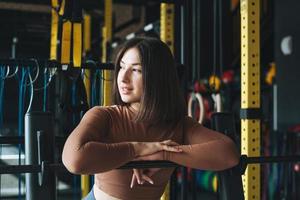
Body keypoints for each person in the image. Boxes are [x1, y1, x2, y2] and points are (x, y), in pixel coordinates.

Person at [62, 37, 240, 200]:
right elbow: (74, 161)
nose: (123, 78)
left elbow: (229, 154)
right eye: (122, 67)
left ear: (157, 77)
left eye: (136, 70)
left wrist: (163, 153)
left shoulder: (178, 125)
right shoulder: (105, 115)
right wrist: (137, 149)